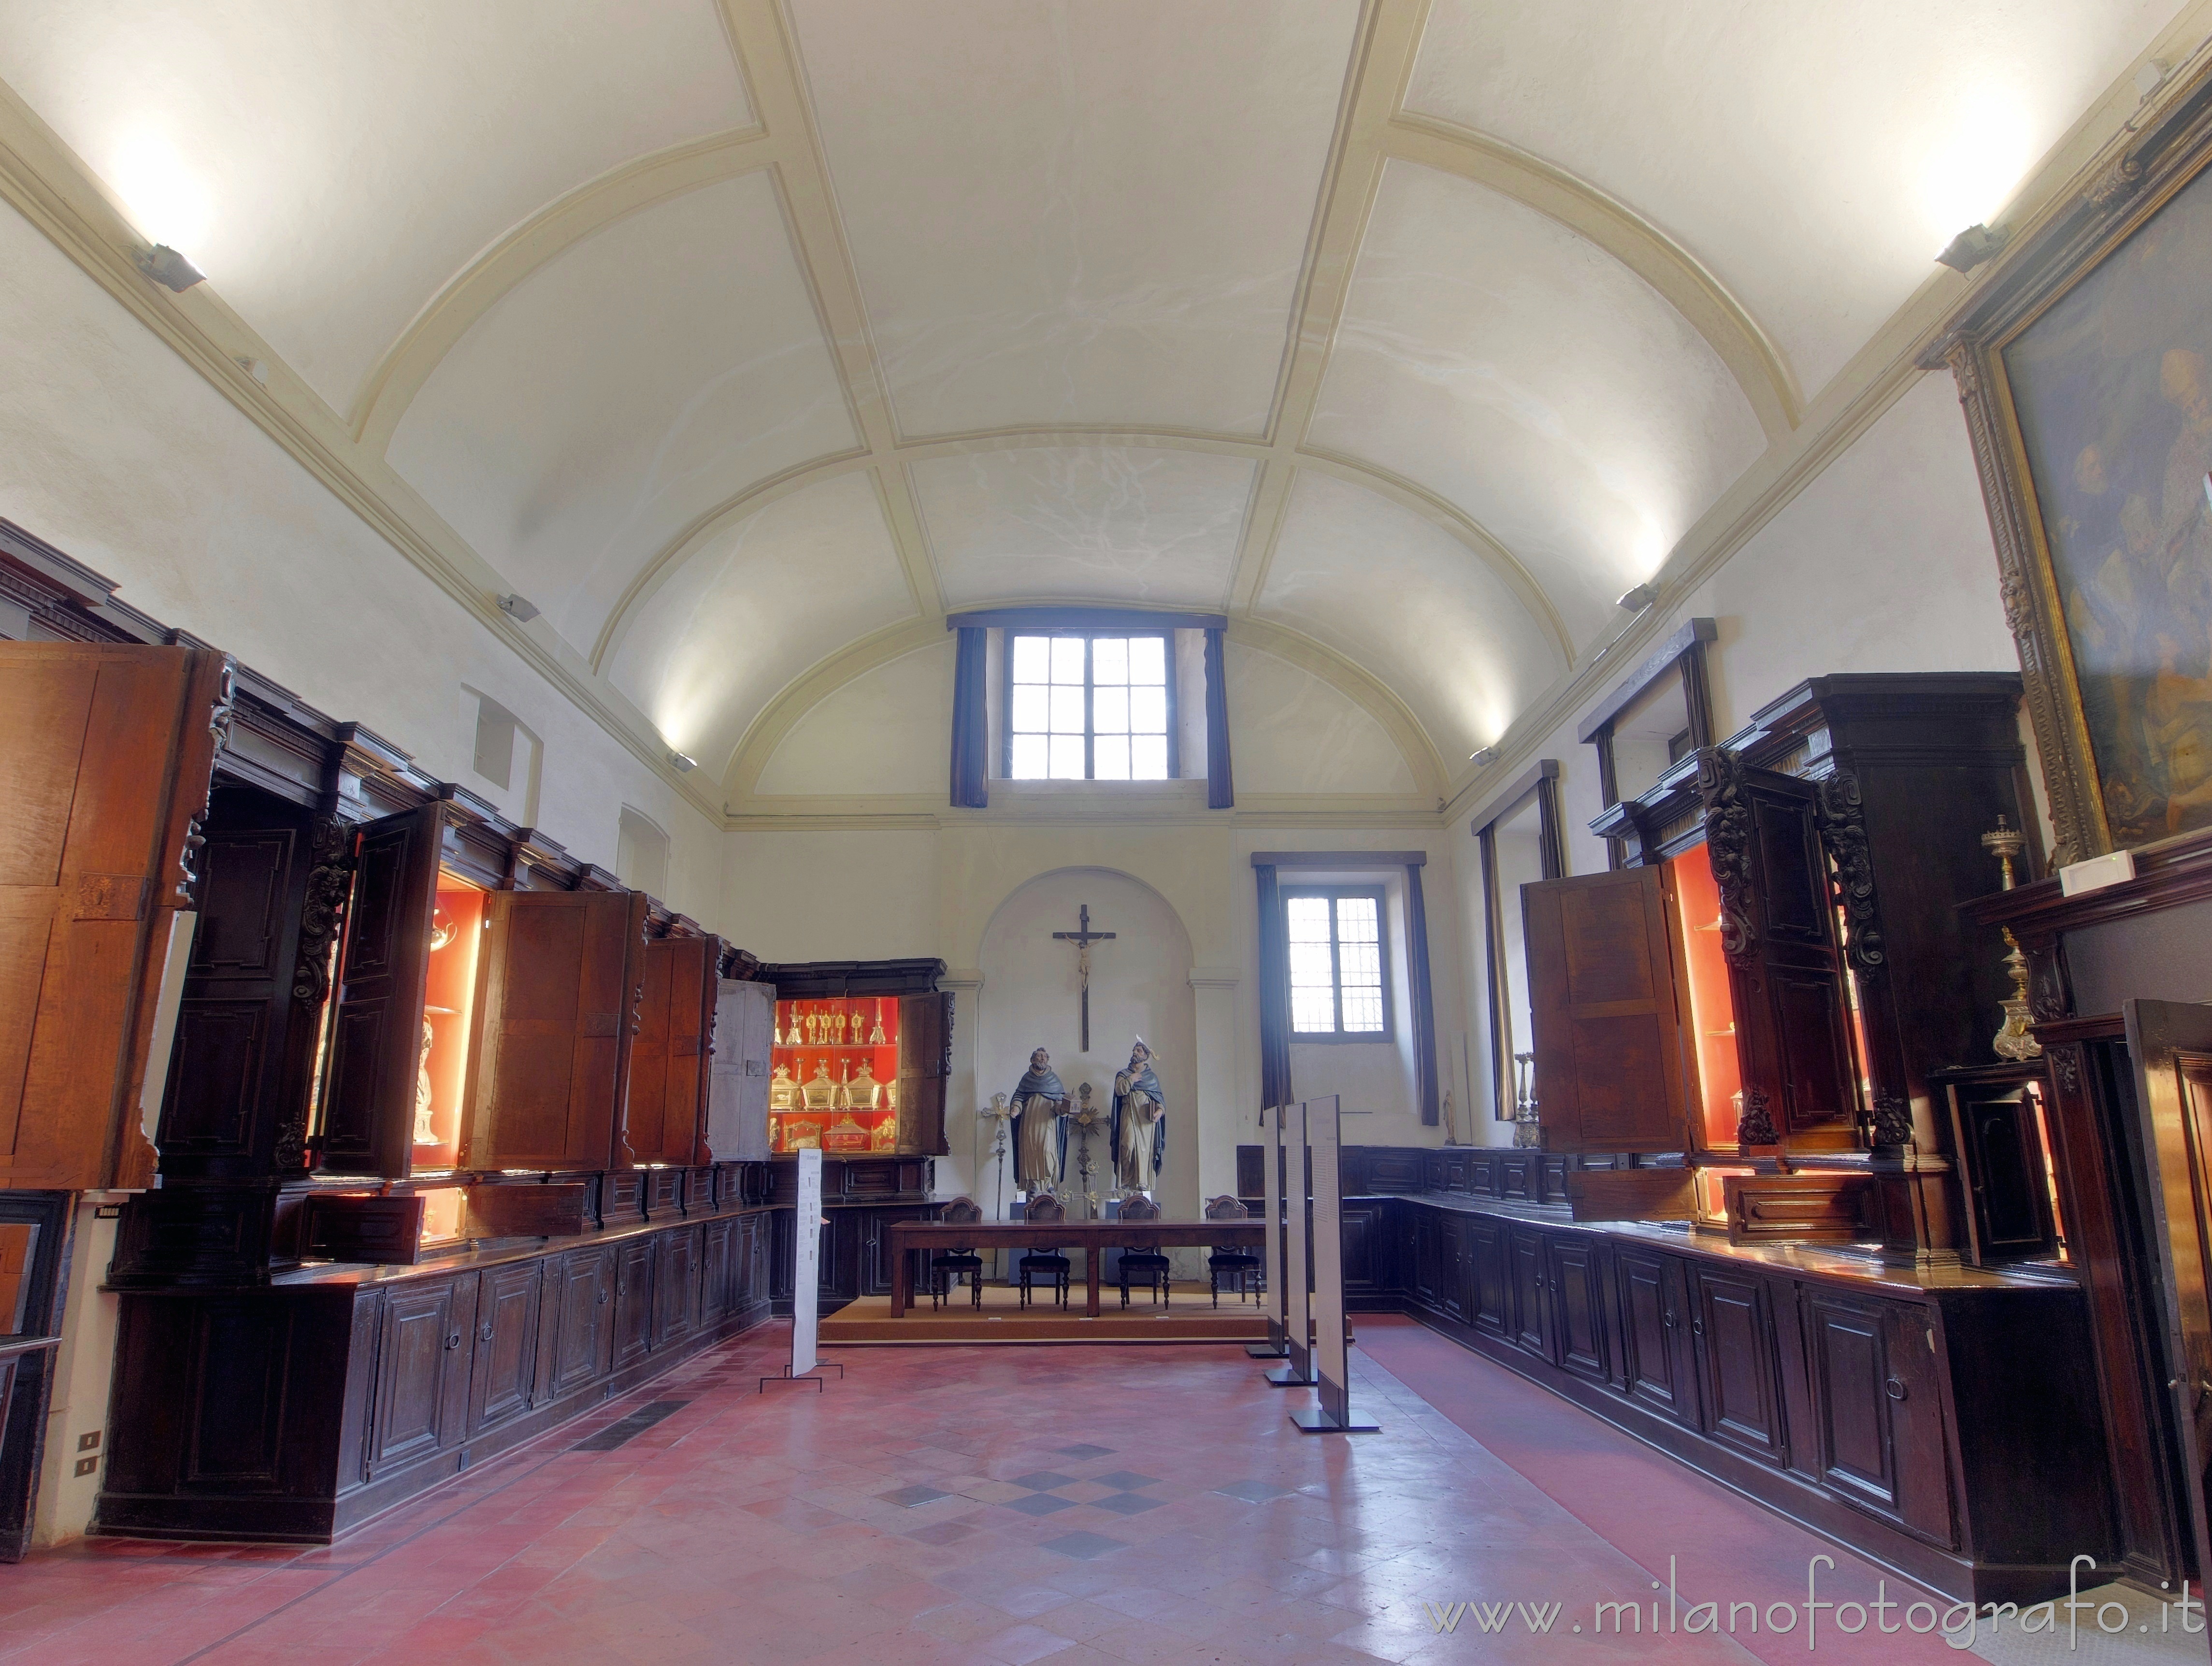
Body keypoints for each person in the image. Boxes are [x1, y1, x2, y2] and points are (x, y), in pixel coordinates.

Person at [1008, 1047, 1068, 1194]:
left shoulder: (1054, 1080)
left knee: (1047, 1151)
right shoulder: (1027, 1079)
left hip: (1047, 1121)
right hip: (1029, 1120)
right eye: (1039, 1056)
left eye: (1044, 1057)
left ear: (1047, 1060)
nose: (1042, 1059)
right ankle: (1033, 1184)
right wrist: (1016, 1108)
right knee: (1031, 1151)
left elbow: (1059, 1102)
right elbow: (1019, 1096)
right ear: (1033, 1060)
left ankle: (1048, 1183)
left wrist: (1063, 1109)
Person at [1111, 1038, 1167, 1192]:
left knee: (1143, 1150)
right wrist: (1131, 1080)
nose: (1135, 1053)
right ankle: (1126, 1181)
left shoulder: (1152, 1078)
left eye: (1139, 1051)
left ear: (1146, 1056)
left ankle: (1141, 1182)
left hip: (1145, 1118)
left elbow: (1160, 1100)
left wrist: (1160, 1111)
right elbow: (1118, 1091)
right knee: (1127, 1145)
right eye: (1134, 1050)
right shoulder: (1124, 1074)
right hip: (1128, 1112)